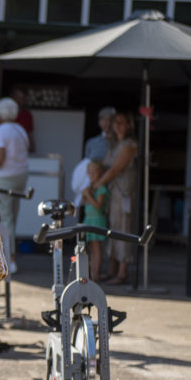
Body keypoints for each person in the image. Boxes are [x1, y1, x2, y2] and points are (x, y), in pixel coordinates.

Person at [91, 111, 138, 285]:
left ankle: (122, 272)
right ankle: (112, 270)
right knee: (112, 229)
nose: (116, 125)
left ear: (128, 124)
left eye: (120, 122)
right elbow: (105, 165)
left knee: (123, 229)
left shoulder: (129, 145)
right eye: (114, 122)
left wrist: (96, 185)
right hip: (112, 192)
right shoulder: (113, 144)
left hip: (124, 192)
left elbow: (115, 169)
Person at [0, 97, 30, 274]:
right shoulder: (20, 129)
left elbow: (0, 158)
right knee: (12, 217)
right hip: (21, 175)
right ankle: (10, 256)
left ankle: (9, 258)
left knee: (5, 220)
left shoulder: (1, 130)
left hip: (6, 177)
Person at [71, 106, 116, 214]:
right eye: (104, 120)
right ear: (100, 122)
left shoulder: (119, 142)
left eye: (110, 120)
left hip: (114, 185)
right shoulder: (92, 143)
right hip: (94, 187)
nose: (108, 124)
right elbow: (85, 166)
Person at [81, 160, 109, 282]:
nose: (92, 176)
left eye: (94, 173)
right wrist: (86, 194)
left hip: (97, 220)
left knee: (96, 249)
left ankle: (96, 275)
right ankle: (92, 273)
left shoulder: (101, 188)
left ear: (100, 173)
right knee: (91, 249)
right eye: (89, 173)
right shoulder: (91, 188)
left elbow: (98, 206)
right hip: (89, 220)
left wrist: (88, 195)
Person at [10, 86, 34, 153]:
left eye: (22, 98)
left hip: (22, 149)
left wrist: (32, 148)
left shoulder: (27, 115)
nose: (19, 101)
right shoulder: (6, 113)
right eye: (17, 97)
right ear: (13, 98)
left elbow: (29, 133)